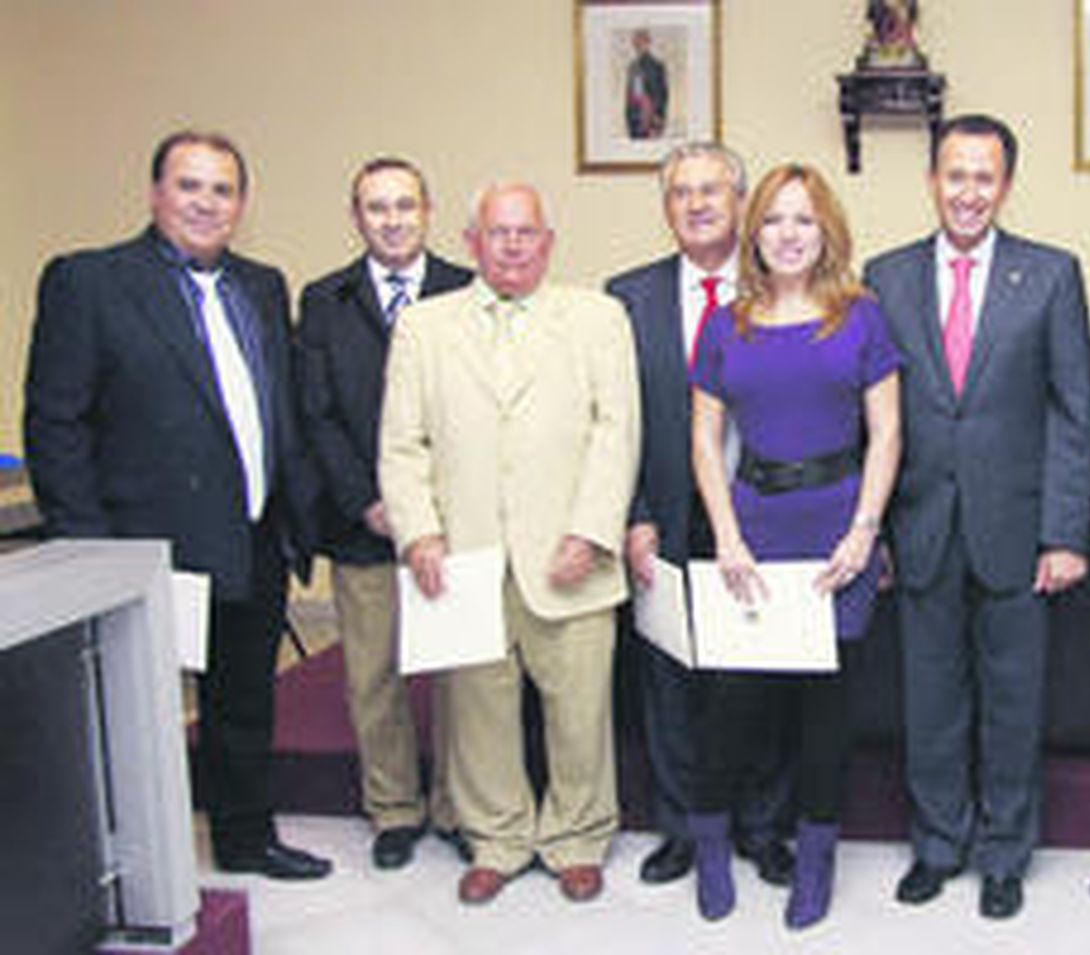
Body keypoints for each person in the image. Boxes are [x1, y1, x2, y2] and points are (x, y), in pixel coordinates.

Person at [24, 130, 329, 880]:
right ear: (156, 193)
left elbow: (275, 405)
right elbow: (55, 422)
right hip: (145, 545)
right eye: (190, 186)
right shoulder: (91, 282)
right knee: (140, 714)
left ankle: (246, 837)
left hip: (252, 535)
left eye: (223, 190)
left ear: (242, 203)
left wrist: (297, 517)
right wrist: (89, 550)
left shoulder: (262, 283)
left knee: (243, 704)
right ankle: (133, 862)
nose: (206, 203)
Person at [378, 182, 640, 906]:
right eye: (499, 233)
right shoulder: (424, 328)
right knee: (479, 714)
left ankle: (577, 837)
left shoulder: (597, 317)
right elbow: (401, 445)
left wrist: (590, 530)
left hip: (570, 557)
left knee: (581, 712)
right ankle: (496, 837)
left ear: (549, 242)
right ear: (471, 243)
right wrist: (420, 532)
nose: (515, 245)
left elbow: (616, 434)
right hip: (464, 560)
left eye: (528, 232)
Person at [864, 113, 1090, 919]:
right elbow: (874, 417)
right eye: (954, 175)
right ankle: (936, 844)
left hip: (1018, 529)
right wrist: (876, 530)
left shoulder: (1054, 274)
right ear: (933, 180)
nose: (968, 192)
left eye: (984, 177)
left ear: (1006, 185)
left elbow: (1075, 411)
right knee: (928, 700)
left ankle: (1004, 853)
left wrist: (1067, 533)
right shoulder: (884, 276)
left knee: (1012, 700)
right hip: (920, 527)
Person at [686, 163, 901, 929]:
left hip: (837, 529)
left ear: (826, 232)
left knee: (825, 711)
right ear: (755, 233)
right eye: (774, 220)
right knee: (734, 707)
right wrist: (727, 534)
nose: (788, 234)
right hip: (754, 528)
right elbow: (706, 440)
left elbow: (887, 434)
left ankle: (815, 859)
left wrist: (865, 528)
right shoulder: (726, 323)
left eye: (803, 220)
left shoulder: (862, 316)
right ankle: (710, 840)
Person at [605, 142, 797, 889]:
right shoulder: (628, 296)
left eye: (711, 190)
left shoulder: (785, 284)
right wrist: (635, 513)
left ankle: (764, 826)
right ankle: (685, 827)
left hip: (766, 515)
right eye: (681, 192)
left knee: (763, 677)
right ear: (666, 207)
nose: (696, 204)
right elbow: (613, 420)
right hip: (666, 518)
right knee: (670, 680)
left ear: (742, 201)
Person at [296, 157, 473, 870]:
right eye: (376, 207)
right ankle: (395, 808)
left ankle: (462, 806)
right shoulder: (325, 299)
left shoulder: (468, 289)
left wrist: (434, 509)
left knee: (464, 676)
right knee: (375, 675)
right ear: (356, 216)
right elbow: (318, 414)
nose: (392, 219)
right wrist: (369, 500)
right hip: (364, 522)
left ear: (427, 211)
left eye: (404, 205)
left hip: (458, 524)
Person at [625, 29, 669, 140]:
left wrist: (659, 114)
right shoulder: (632, 66)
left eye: (641, 42)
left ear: (648, 43)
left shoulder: (656, 65)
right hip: (635, 112)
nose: (638, 45)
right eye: (636, 43)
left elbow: (662, 93)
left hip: (649, 113)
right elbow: (630, 93)